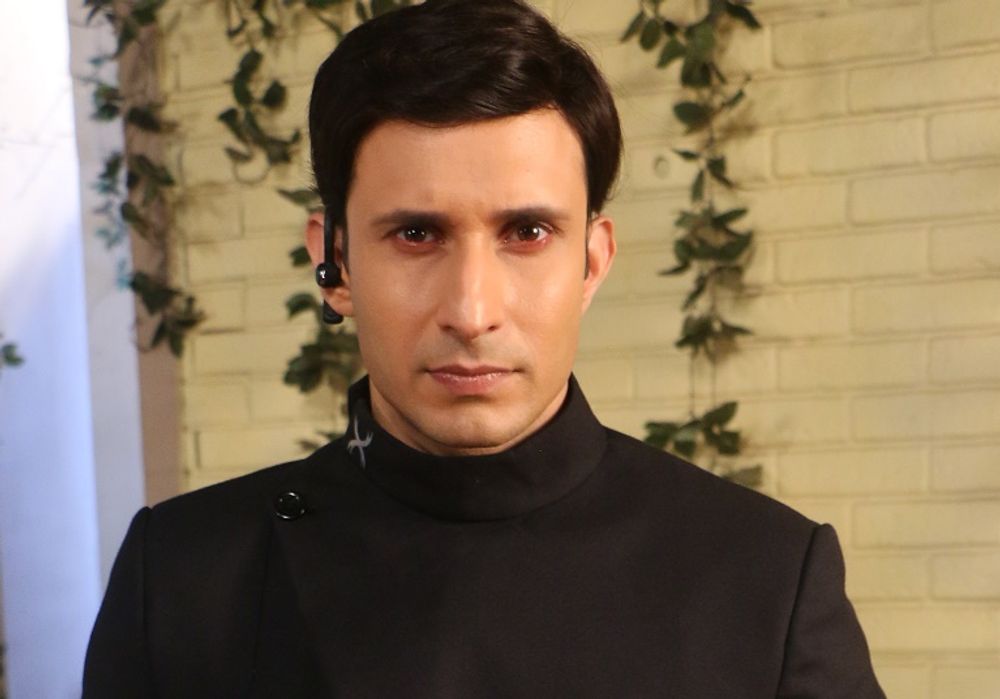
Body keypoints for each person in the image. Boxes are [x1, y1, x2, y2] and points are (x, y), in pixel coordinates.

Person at [83, 0, 885, 696]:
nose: (471, 312)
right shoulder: (182, 578)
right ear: (335, 264)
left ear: (592, 262)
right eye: (416, 234)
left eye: (527, 232)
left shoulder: (766, 579)